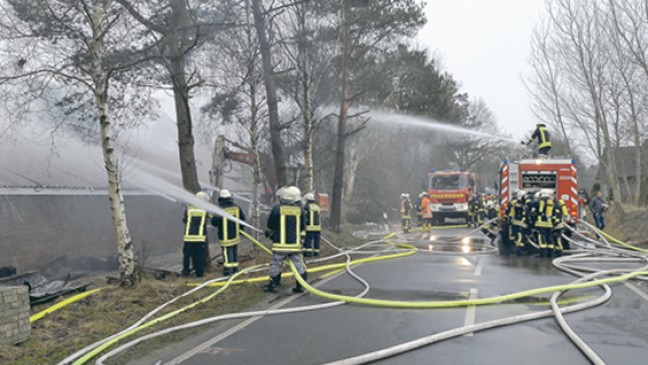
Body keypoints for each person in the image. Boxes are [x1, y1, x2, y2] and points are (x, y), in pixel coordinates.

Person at [263, 186, 308, 293]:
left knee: (276, 264)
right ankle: (300, 285)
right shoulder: (300, 210)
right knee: (298, 264)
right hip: (294, 245)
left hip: (280, 245)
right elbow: (302, 227)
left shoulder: (277, 208)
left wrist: (268, 232)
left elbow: (271, 224)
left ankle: (274, 283)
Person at [211, 189, 246, 276]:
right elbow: (243, 219)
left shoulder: (220, 209)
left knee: (227, 253)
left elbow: (214, 223)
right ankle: (235, 269)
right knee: (234, 251)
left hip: (225, 236)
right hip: (235, 235)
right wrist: (240, 230)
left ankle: (228, 271)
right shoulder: (237, 207)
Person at [182, 191, 212, 278]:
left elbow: (184, 220)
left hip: (188, 236)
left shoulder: (189, 208)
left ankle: (185, 272)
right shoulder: (205, 209)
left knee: (187, 256)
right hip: (199, 237)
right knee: (199, 255)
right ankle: (199, 273)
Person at [530, 189, 556, 258]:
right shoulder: (551, 202)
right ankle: (550, 253)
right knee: (549, 238)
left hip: (541, 223)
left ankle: (543, 254)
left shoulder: (539, 202)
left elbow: (531, 204)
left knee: (542, 238)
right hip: (549, 223)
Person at [303, 192, 321, 257]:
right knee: (317, 241)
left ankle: (308, 253)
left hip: (309, 227)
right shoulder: (317, 205)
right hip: (318, 227)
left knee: (308, 240)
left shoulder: (307, 206)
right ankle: (316, 253)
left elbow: (305, 216)